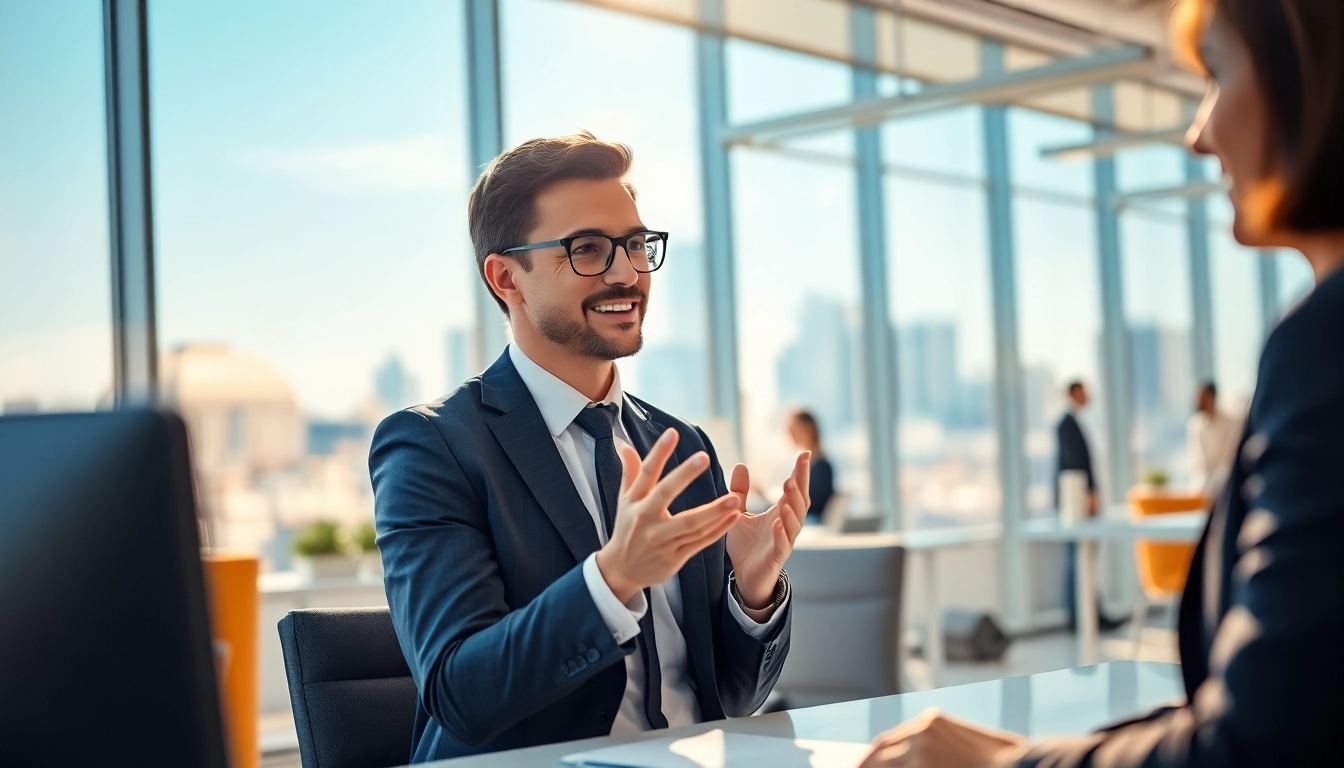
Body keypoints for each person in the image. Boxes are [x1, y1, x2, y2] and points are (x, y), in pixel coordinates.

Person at [860, 0, 1344, 765]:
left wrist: (1004, 766)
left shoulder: (1326, 341)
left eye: (1217, 75)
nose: (1199, 133)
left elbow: (1264, 740)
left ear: (1314, 75)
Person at [369, 133, 809, 762]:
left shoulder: (679, 445)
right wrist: (614, 578)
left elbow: (733, 702)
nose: (627, 272)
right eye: (589, 250)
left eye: (635, 244)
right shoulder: (433, 446)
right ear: (506, 277)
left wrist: (754, 590)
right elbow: (460, 692)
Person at [1056, 382, 1125, 632]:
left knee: (1083, 559)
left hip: (1080, 499)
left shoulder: (1073, 422)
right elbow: (1074, 463)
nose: (1089, 397)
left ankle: (1090, 613)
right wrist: (1088, 495)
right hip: (1077, 501)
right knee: (1078, 558)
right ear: (1074, 393)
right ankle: (1081, 617)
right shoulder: (1066, 424)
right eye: (1084, 392)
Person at [1185, 381, 1241, 498]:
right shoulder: (1195, 425)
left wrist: (1218, 481)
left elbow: (1228, 457)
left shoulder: (1229, 422)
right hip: (1201, 486)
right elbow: (1196, 461)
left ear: (1213, 397)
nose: (1200, 401)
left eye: (1204, 397)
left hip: (1225, 483)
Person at [786, 410, 834, 525]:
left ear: (809, 428)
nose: (790, 433)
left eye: (794, 428)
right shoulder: (811, 463)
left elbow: (811, 505)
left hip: (812, 521)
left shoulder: (821, 467)